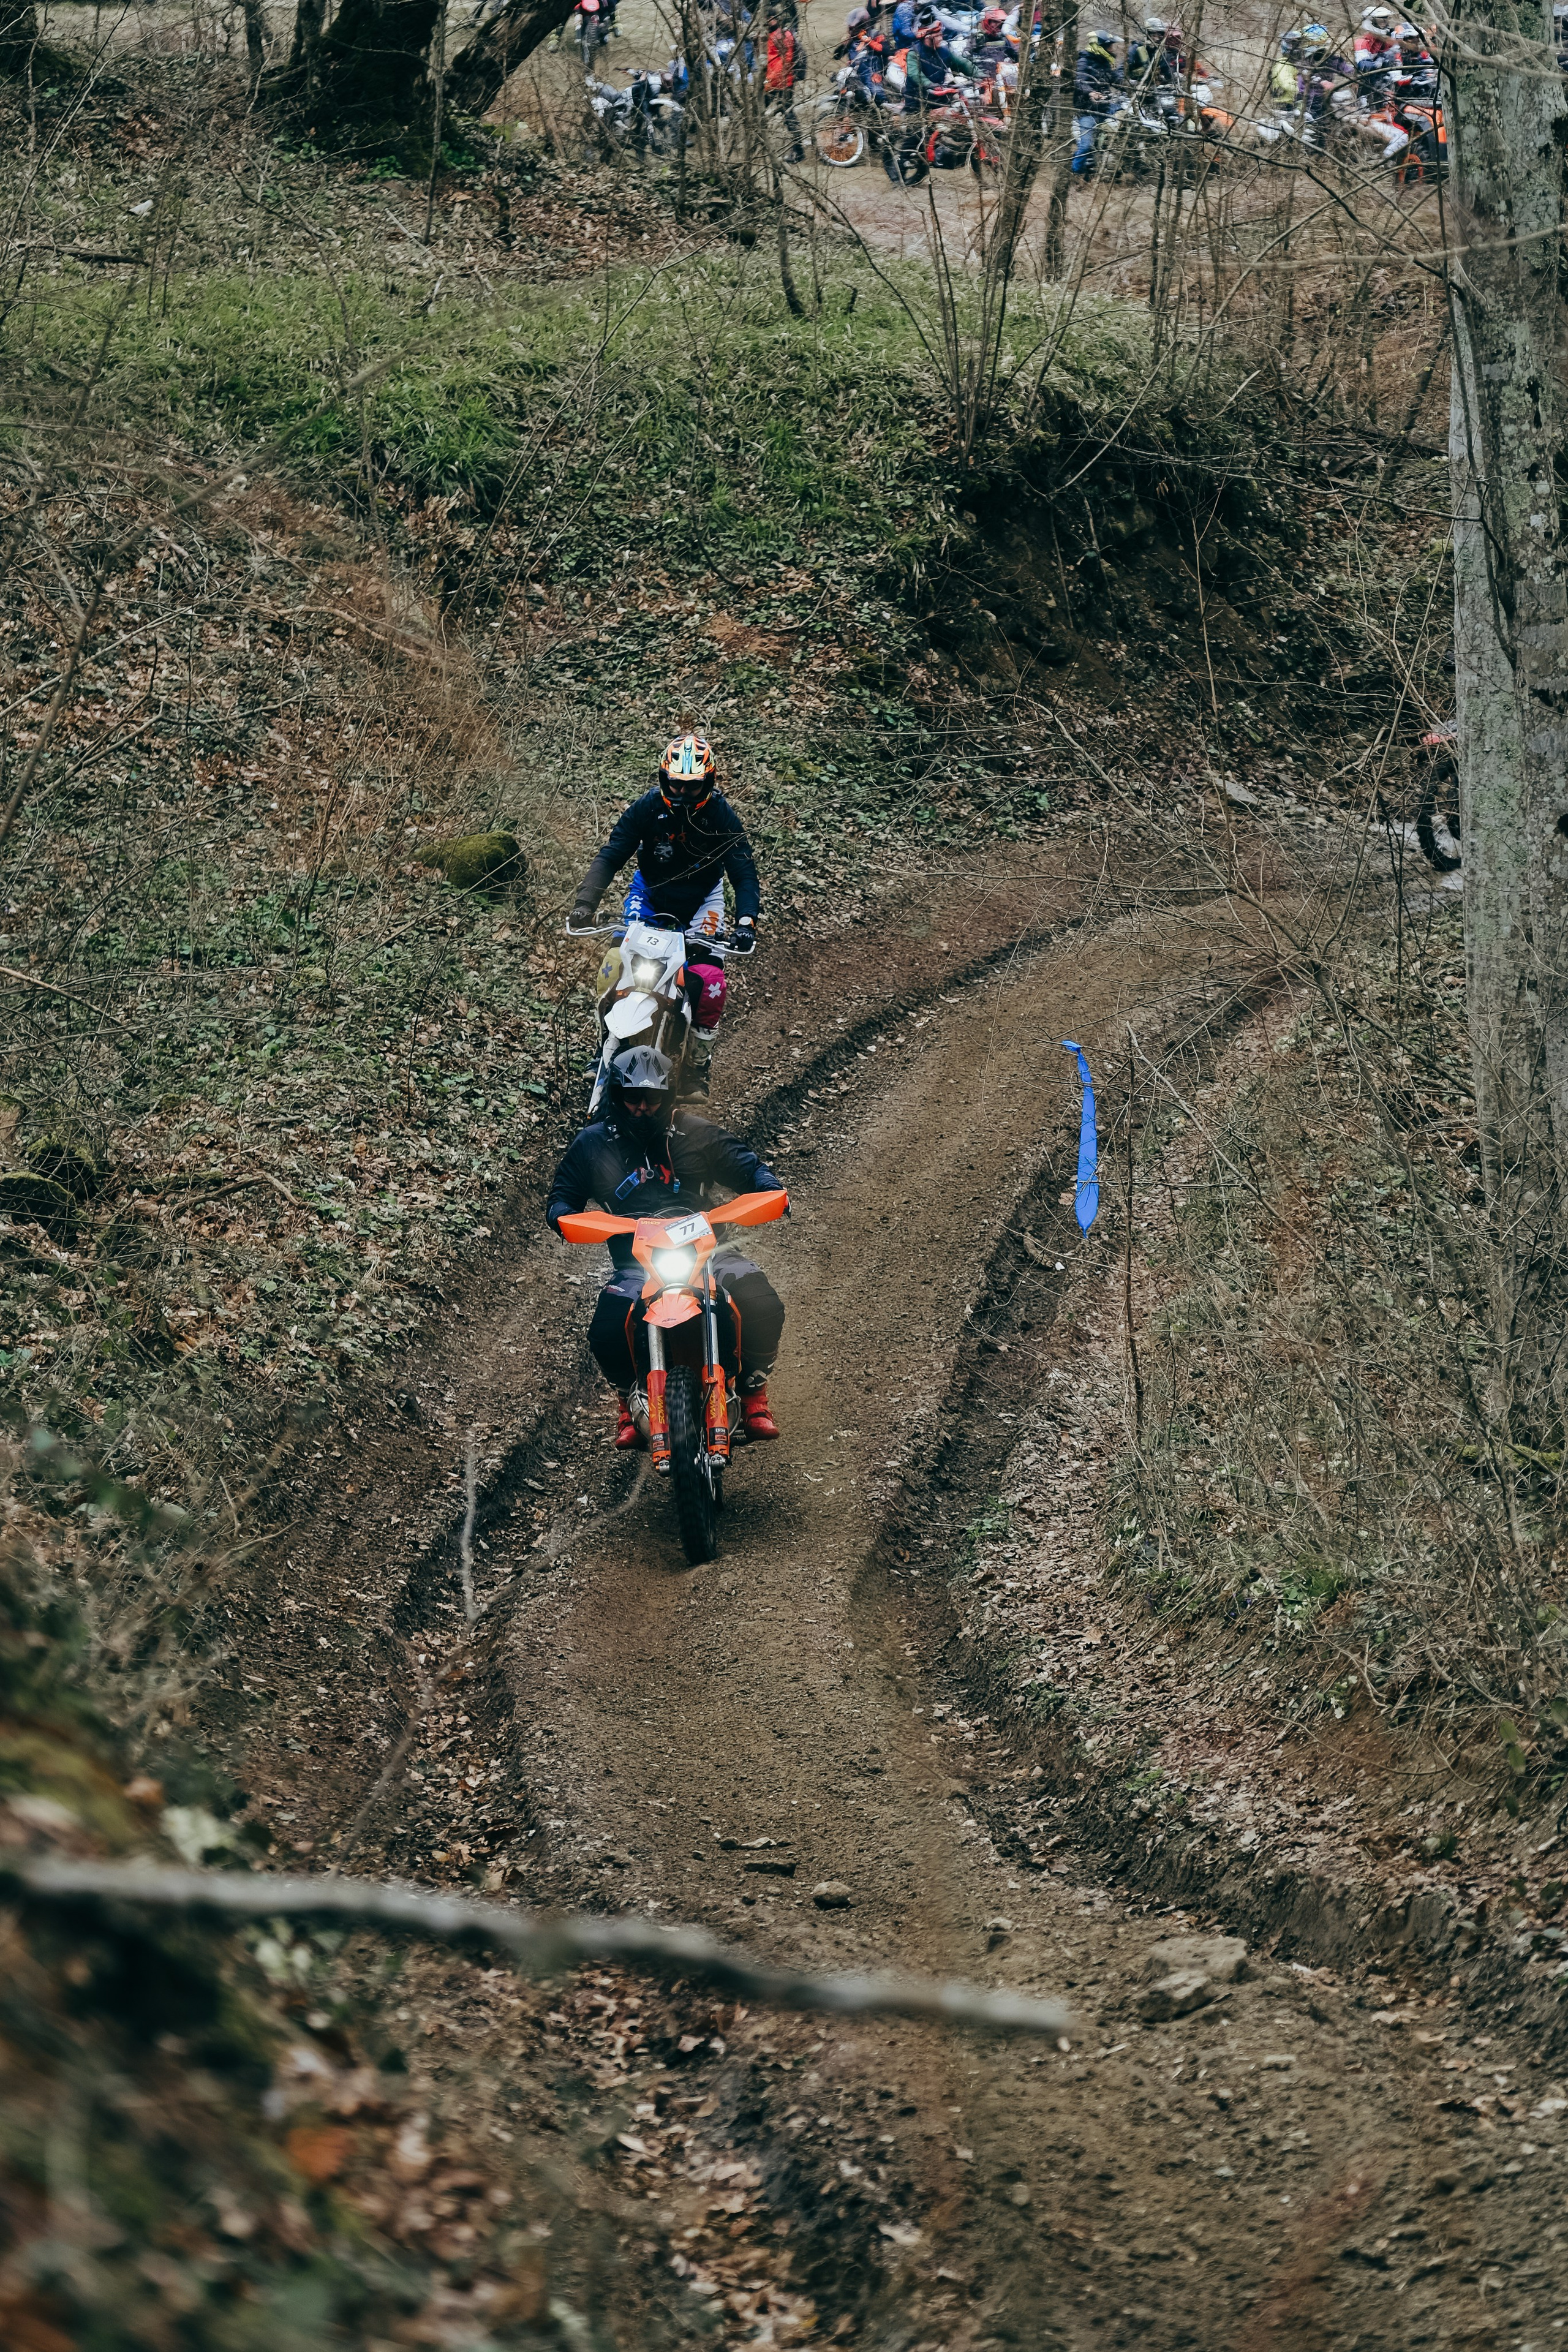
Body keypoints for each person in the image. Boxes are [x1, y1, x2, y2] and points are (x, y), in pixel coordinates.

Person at [547, 1045, 786, 1449]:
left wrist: (770, 1190)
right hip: (636, 1261)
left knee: (762, 1303)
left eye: (652, 1097)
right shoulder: (593, 1144)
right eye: (633, 1098)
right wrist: (563, 1218)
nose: (643, 1107)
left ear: (666, 1097)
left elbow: (751, 1170)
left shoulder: (696, 1133)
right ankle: (628, 1401)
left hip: (708, 1253)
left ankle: (752, 1394)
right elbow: (561, 1198)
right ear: (616, 1096)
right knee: (606, 1328)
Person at [570, 733, 760, 1101]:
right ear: (663, 778)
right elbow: (612, 854)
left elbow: (744, 871)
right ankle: (604, 1045)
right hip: (650, 895)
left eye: (692, 786)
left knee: (709, 980)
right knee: (614, 962)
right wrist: (585, 904)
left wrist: (746, 921)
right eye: (676, 784)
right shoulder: (647, 808)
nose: (683, 793)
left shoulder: (721, 815)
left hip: (703, 902)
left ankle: (695, 1069)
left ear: (708, 782)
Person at [1071, 25, 1122, 174]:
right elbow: (1080, 80)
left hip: (1106, 107)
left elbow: (1116, 79)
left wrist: (1135, 87)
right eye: (1110, 46)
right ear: (1101, 47)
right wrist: (1090, 93)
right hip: (1088, 110)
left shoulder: (1105, 62)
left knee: (1130, 119)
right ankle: (1074, 173)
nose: (1113, 49)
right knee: (1086, 145)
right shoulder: (1083, 61)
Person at [764, 7, 806, 159]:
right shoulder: (772, 35)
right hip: (773, 81)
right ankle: (760, 143)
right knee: (760, 110)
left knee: (789, 116)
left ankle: (799, 152)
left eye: (769, 18)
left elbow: (786, 61)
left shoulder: (783, 36)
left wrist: (770, 81)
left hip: (782, 82)